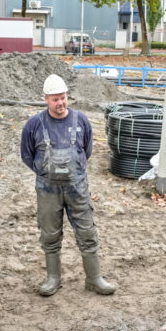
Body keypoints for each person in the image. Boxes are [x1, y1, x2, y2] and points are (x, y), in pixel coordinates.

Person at [20, 74, 116, 296]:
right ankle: (53, 278)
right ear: (46, 99)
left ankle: (94, 279)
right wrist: (46, 174)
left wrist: (74, 174)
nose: (60, 103)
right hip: (47, 190)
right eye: (55, 99)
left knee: (87, 231)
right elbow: (27, 156)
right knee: (50, 234)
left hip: (77, 188)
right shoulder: (34, 124)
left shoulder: (81, 120)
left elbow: (87, 151)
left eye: (63, 98)